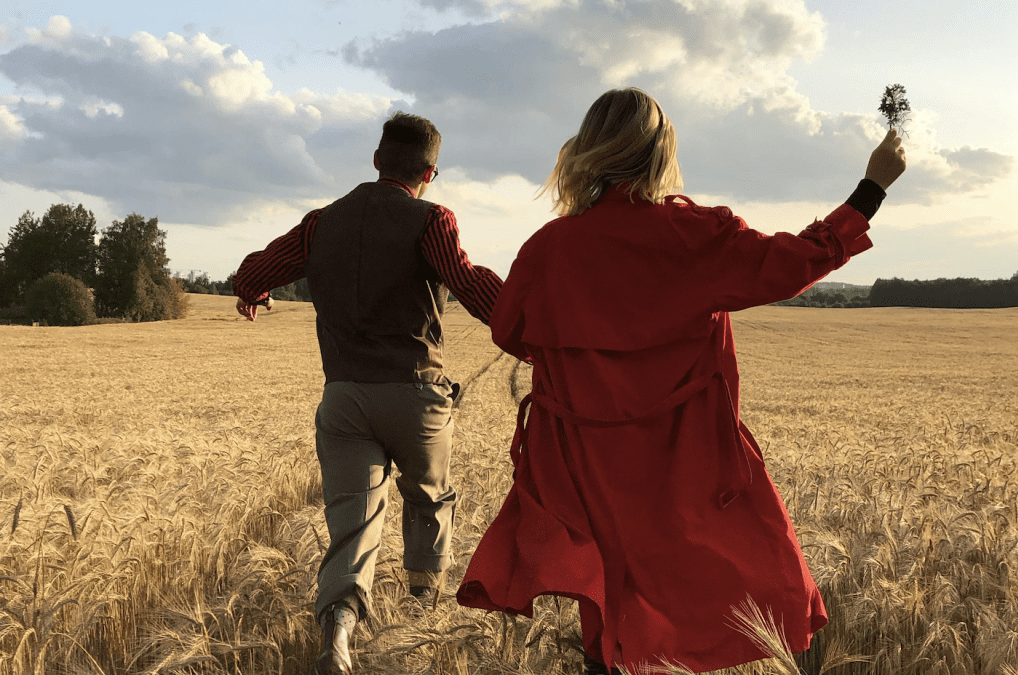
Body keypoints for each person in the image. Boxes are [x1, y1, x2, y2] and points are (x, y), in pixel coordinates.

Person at [455, 88, 906, 675]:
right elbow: (795, 261)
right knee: (725, 585)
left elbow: (512, 329)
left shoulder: (549, 249)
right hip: (688, 461)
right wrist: (871, 189)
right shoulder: (695, 236)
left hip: (589, 467)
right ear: (660, 154)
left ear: (587, 151)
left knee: (614, 607)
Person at [232, 112, 503, 675]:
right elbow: (468, 281)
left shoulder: (319, 223)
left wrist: (251, 290)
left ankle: (337, 634)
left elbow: (257, 269)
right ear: (431, 171)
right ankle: (421, 612)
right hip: (416, 393)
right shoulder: (432, 220)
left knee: (352, 522)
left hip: (345, 396)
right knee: (430, 500)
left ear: (376, 160)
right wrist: (525, 324)